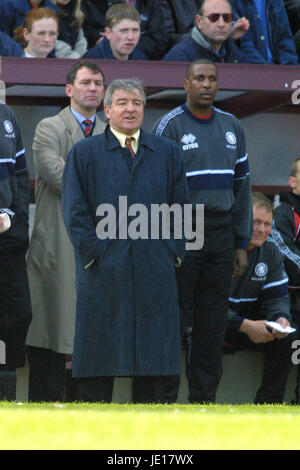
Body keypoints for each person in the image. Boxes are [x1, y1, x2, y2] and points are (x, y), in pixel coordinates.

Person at [61, 77, 189, 403]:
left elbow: (182, 210)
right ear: (106, 110)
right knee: (97, 362)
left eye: (136, 103)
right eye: (122, 102)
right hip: (102, 269)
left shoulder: (168, 153)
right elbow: (75, 211)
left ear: (144, 108)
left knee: (153, 367)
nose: (130, 109)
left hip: (155, 269)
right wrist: (93, 254)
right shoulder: (84, 153)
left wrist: (172, 252)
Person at [153, 58, 252, 404]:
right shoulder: (171, 126)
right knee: (174, 317)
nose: (207, 84)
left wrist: (241, 242)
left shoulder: (232, 126)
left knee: (212, 320)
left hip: (223, 231)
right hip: (183, 229)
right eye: (199, 78)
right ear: (185, 84)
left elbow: (242, 189)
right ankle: (164, 398)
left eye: (212, 78)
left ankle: (204, 399)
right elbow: (156, 190)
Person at [25, 60, 106, 402]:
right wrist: (102, 179)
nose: (93, 88)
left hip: (98, 247)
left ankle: (84, 408)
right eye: (86, 82)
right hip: (56, 245)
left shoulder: (110, 131)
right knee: (50, 332)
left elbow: (123, 185)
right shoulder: (48, 127)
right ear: (69, 89)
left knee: (91, 333)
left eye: (99, 83)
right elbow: (61, 180)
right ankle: (44, 406)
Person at [227, 192, 295, 404]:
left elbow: (277, 298)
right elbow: (206, 308)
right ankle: (202, 400)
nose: (262, 230)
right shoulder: (221, 248)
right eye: (256, 222)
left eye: (267, 224)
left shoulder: (271, 252)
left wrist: (281, 318)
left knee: (289, 339)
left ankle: (268, 405)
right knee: (206, 331)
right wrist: (245, 326)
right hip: (216, 322)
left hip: (253, 322)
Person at [0, 103, 32, 400]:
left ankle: (5, 396)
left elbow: (21, 176)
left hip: (8, 240)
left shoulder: (7, 115)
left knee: (19, 315)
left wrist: (18, 219)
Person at [272, 157, 300, 403]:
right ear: (293, 182)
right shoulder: (283, 212)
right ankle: (268, 410)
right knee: (282, 358)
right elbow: (286, 254)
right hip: (285, 303)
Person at [81, 0, 172, 59]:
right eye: (123, 31)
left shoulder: (141, 59)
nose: (130, 37)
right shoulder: (91, 60)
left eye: (135, 30)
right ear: (108, 33)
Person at [163, 0, 248, 63]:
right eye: (213, 18)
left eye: (226, 18)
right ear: (199, 21)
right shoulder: (180, 56)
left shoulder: (233, 52)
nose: (221, 24)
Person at [231, 0, 298, 64]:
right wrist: (269, 71)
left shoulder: (276, 2)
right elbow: (243, 44)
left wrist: (289, 68)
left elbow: (285, 39)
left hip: (276, 70)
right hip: (252, 70)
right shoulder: (233, 2)